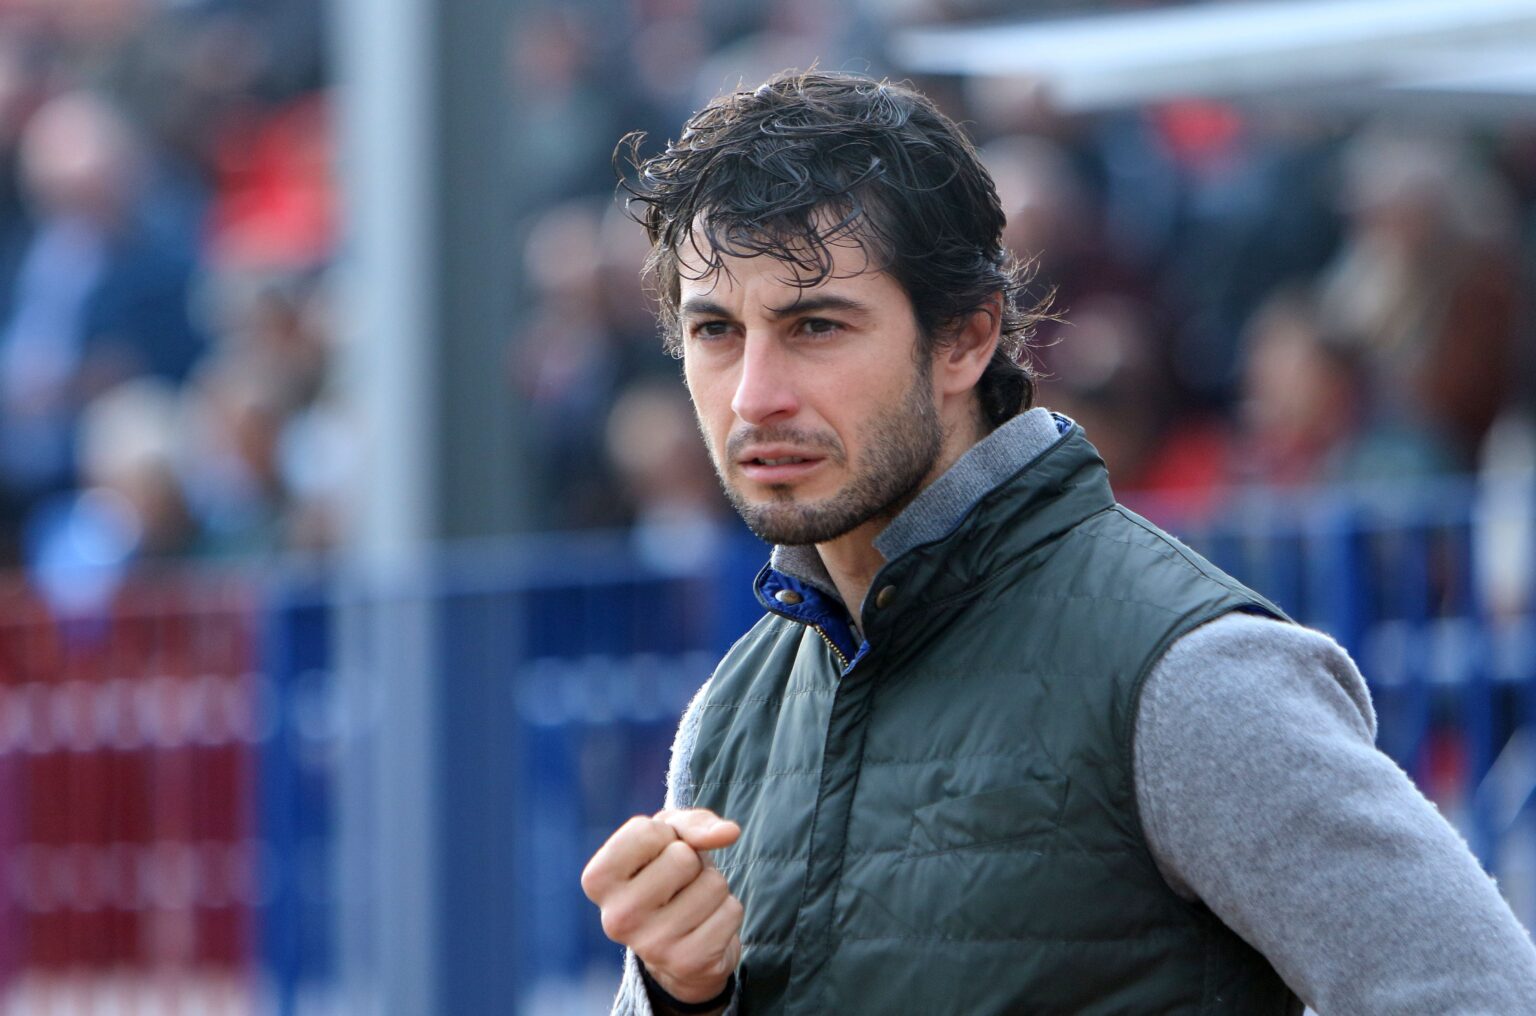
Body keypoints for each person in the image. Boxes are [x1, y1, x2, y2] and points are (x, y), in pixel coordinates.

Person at [579, 70, 1536, 1015]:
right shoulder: (731, 712)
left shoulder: (1190, 674)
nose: (754, 396)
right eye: (715, 332)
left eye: (815, 325)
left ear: (966, 339)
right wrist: (685, 998)